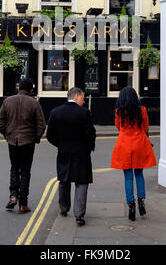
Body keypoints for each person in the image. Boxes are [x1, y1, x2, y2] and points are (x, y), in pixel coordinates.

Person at [46, 87, 96, 226]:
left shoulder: (55, 112)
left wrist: (61, 144)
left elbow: (50, 135)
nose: (84, 101)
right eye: (83, 98)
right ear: (77, 97)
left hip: (63, 151)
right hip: (81, 153)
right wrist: (88, 147)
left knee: (64, 180)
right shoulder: (84, 113)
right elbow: (90, 134)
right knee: (81, 182)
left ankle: (64, 208)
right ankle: (79, 215)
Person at [0, 79, 46, 214]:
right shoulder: (34, 103)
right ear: (31, 90)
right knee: (25, 170)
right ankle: (23, 203)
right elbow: (41, 124)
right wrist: (36, 138)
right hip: (28, 141)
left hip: (13, 141)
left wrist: (7, 135)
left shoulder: (8, 101)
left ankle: (13, 195)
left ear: (18, 88)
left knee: (14, 168)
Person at [111, 86, 157, 221]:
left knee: (128, 177)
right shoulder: (142, 110)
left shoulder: (118, 111)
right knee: (139, 173)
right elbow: (146, 127)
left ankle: (131, 204)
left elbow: (118, 127)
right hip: (139, 143)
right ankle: (141, 200)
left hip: (124, 144)